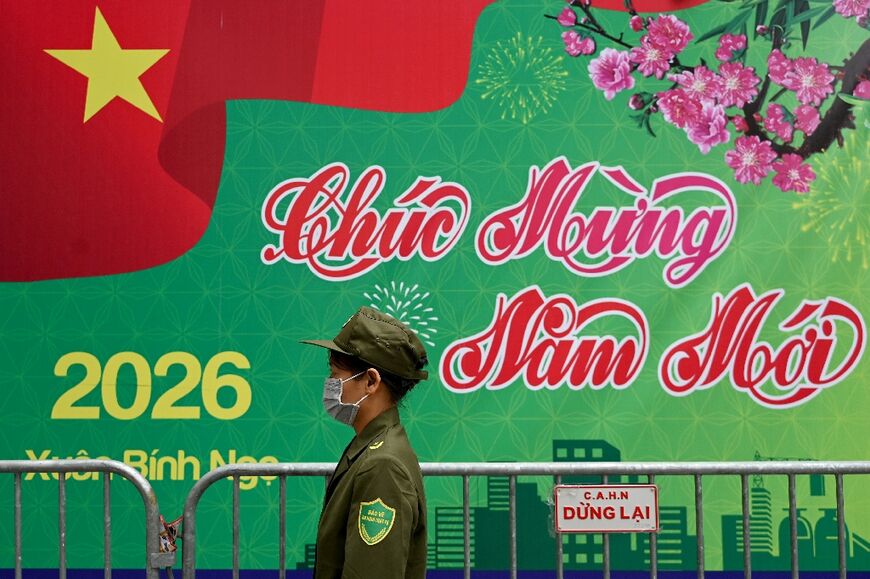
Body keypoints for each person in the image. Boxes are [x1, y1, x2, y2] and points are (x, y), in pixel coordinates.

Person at [302, 306, 429, 579]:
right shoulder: (372, 448)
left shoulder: (382, 465)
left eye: (336, 375)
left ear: (371, 381)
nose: (330, 384)